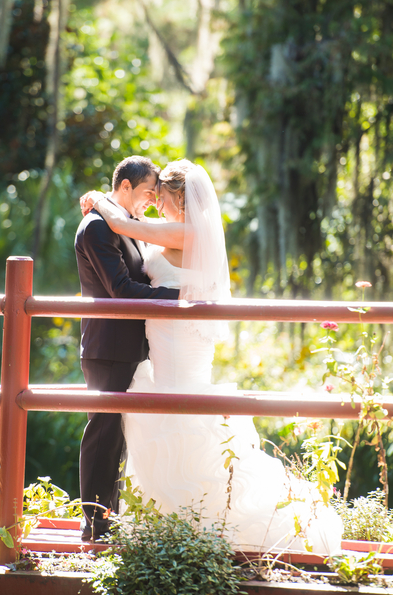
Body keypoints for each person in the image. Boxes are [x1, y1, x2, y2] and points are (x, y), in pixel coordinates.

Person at [85, 158, 343, 555]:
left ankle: (183, 529)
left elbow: (124, 227)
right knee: (172, 420)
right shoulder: (187, 231)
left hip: (177, 341)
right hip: (172, 340)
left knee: (178, 419)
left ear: (179, 198)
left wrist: (98, 201)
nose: (156, 204)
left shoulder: (185, 231)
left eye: (161, 197)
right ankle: (171, 528)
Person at [75, 156, 180, 542]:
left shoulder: (123, 224)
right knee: (103, 432)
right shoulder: (98, 228)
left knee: (117, 433)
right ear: (125, 187)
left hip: (127, 346)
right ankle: (95, 523)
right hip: (108, 345)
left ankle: (107, 517)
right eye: (148, 193)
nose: (152, 202)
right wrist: (180, 295)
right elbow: (121, 289)